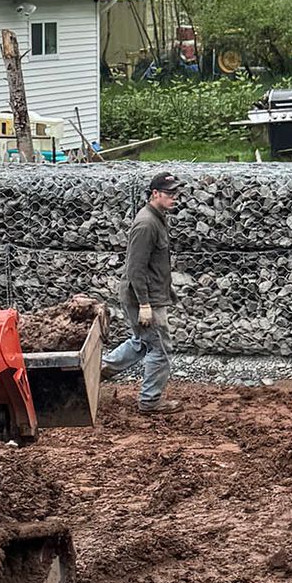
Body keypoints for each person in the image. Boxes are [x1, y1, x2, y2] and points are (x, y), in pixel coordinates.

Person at [105, 170, 177, 414]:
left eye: (175, 192)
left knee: (141, 343)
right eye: (169, 193)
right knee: (160, 349)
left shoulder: (155, 218)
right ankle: (150, 401)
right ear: (154, 193)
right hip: (144, 298)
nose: (174, 197)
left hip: (147, 295)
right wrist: (145, 305)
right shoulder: (147, 224)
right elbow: (135, 268)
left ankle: (95, 371)